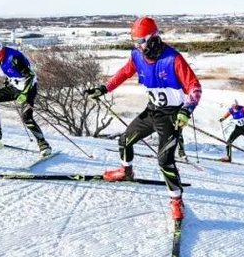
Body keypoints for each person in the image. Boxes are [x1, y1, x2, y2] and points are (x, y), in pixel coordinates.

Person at [84, 16, 201, 221]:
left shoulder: (173, 59)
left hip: (171, 116)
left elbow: (195, 89)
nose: (137, 46)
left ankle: (176, 200)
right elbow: (123, 73)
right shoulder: (137, 56)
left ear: (153, 38)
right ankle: (126, 171)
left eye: (140, 42)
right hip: (151, 111)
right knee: (124, 141)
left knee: (165, 160)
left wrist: (187, 109)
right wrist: (103, 88)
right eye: (135, 42)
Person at [0, 36, 52, 156]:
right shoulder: (0, 56)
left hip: (28, 89)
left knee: (26, 118)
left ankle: (43, 144)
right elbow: (13, 72)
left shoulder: (14, 58)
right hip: (16, 87)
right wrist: (10, 80)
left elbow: (30, 76)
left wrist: (24, 94)